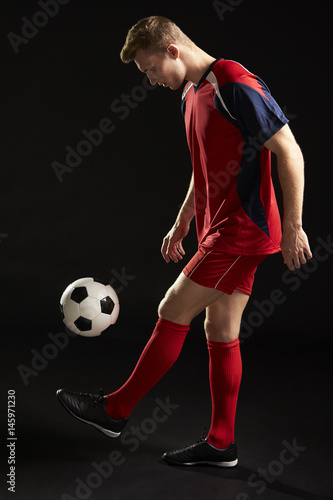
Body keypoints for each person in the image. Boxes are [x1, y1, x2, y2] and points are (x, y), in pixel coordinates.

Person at [56, 16, 312, 467]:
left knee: (171, 310)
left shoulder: (234, 83)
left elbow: (289, 150)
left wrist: (294, 227)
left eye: (150, 68)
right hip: (219, 229)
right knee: (220, 330)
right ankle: (221, 445)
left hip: (243, 232)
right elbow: (203, 169)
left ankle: (114, 411)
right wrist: (182, 224)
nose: (151, 80)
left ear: (172, 49)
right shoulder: (191, 96)